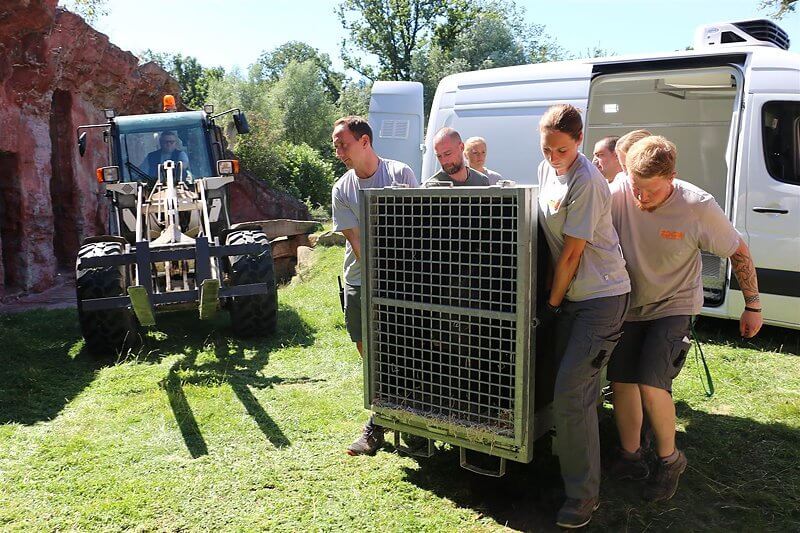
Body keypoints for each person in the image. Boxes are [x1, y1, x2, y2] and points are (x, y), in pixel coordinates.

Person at [607, 135, 763, 502]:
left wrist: (753, 305)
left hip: (674, 304)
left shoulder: (697, 205)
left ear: (672, 177)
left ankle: (670, 458)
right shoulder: (618, 193)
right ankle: (631, 456)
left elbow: (739, 251)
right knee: (622, 382)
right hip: (629, 304)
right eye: (635, 187)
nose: (640, 198)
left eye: (650, 191)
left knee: (651, 381)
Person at [536, 104, 631, 529]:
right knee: (571, 391)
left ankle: (582, 496)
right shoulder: (546, 170)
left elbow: (573, 252)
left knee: (572, 393)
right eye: (546, 148)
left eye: (561, 148)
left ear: (579, 140)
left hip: (600, 297)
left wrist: (552, 304)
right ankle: (568, 465)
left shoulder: (587, 181)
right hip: (571, 295)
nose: (553, 156)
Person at [330, 115, 419, 456]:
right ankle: (389, 411)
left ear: (364, 141)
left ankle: (386, 421)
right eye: (336, 146)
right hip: (360, 279)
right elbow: (357, 243)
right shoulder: (343, 188)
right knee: (367, 348)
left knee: (406, 348)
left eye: (344, 144)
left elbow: (417, 230)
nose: (339, 152)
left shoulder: (400, 175)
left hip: (404, 280)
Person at [426, 128, 490, 186]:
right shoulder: (432, 188)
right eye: (439, 156)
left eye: (448, 154)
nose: (444, 161)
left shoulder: (481, 181)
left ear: (461, 147)